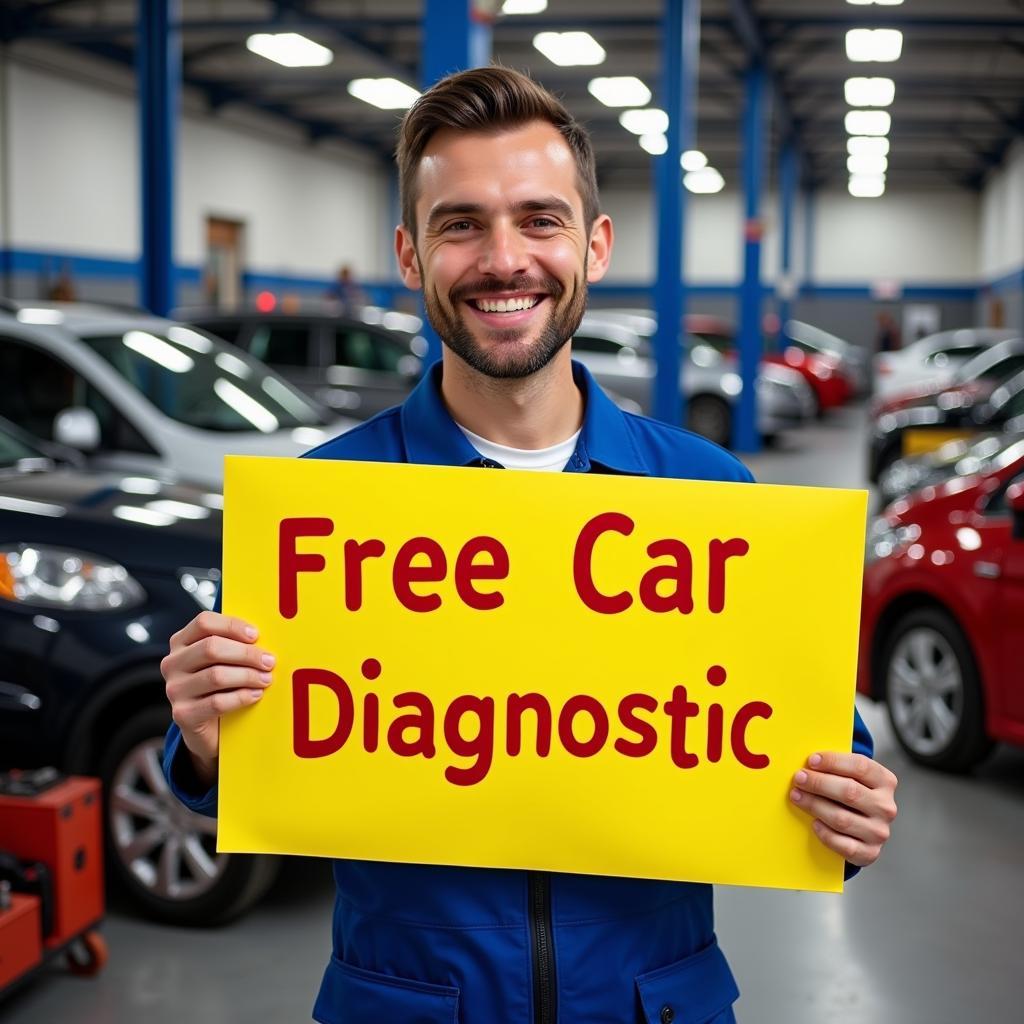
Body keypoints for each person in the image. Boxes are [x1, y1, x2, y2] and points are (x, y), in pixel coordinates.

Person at [161, 67, 898, 1023]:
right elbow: (255, 782)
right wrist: (210, 744)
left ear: (594, 245)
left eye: (540, 220)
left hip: (653, 1003)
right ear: (410, 255)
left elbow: (801, 741)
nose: (504, 259)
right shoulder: (325, 511)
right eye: (460, 223)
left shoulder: (710, 497)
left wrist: (849, 801)